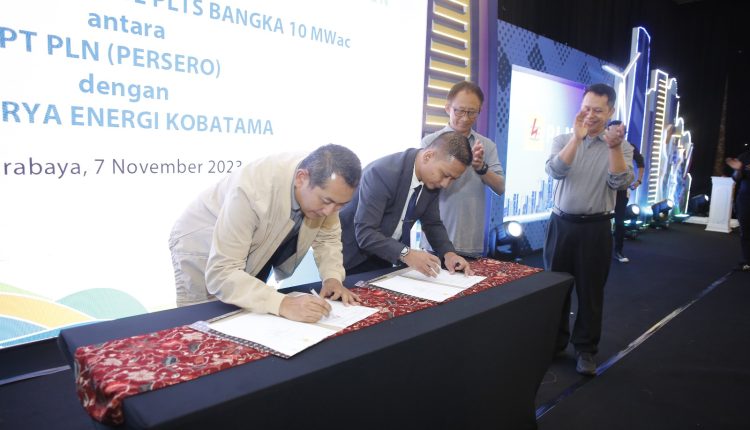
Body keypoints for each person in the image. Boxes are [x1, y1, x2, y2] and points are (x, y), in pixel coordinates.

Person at [169, 144, 362, 323]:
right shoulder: (252, 189)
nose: (329, 212)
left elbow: (327, 239)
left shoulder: (326, 187)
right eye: (326, 201)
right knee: (204, 324)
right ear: (301, 178)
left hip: (252, 246)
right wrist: (284, 303)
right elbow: (222, 272)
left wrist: (332, 278)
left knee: (246, 316)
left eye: (340, 205)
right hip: (202, 244)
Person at [544, 83, 634, 375]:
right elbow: (555, 171)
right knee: (555, 288)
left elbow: (620, 183)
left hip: (596, 228)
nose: (591, 115)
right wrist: (576, 138)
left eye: (598, 110)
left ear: (610, 112)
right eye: (586, 108)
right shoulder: (562, 139)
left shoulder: (622, 147)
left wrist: (614, 147)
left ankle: (585, 349)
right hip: (560, 225)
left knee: (590, 292)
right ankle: (554, 343)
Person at [340, 131, 474, 277]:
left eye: (453, 179)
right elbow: (366, 233)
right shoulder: (382, 173)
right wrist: (407, 253)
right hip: (350, 259)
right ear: (428, 156)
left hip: (384, 256)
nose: (445, 184)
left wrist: (449, 254)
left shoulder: (432, 180)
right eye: (445, 175)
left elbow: (432, 223)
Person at [421, 81, 505, 257]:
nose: (465, 118)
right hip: (434, 241)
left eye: (472, 112)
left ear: (479, 111)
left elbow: (500, 187)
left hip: (470, 242)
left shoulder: (486, 145)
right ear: (447, 108)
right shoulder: (430, 142)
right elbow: (421, 186)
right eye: (459, 111)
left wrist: (481, 168)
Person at [610, 119, 645, 263]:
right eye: (615, 130)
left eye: (621, 130)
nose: (618, 133)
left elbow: (641, 163)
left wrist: (638, 181)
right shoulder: (602, 144)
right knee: (600, 221)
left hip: (622, 189)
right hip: (604, 189)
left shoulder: (629, 147)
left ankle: (618, 251)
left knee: (619, 221)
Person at [725, 147, 750, 272]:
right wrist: (738, 169)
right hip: (745, 199)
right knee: (745, 232)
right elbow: (736, 178)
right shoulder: (745, 156)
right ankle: (747, 261)